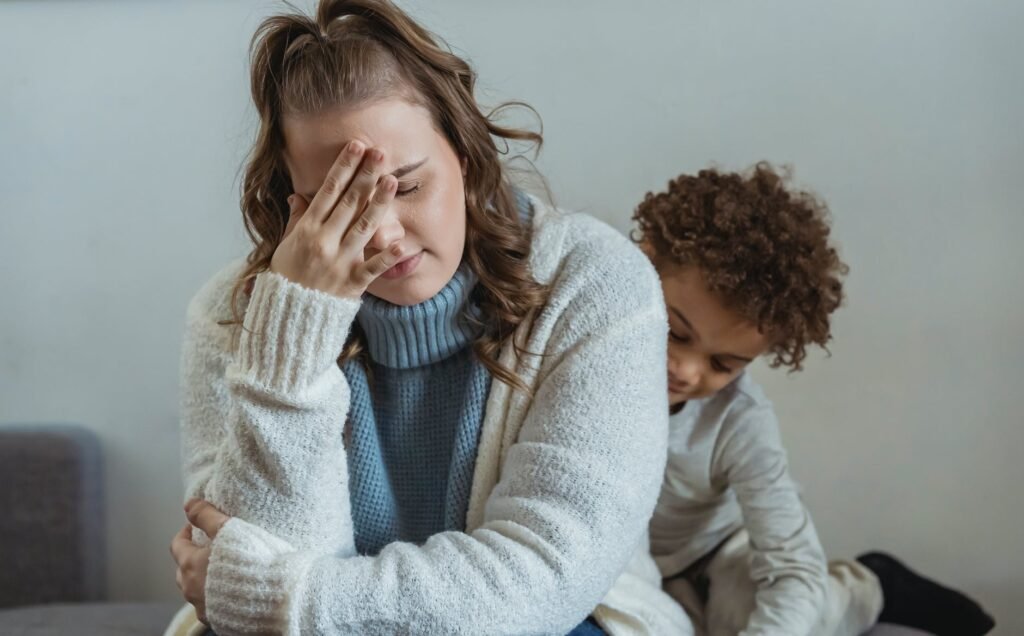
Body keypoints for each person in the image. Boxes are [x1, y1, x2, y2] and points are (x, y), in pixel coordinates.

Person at [165, 1, 690, 634]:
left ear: (464, 155)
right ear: (297, 203)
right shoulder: (233, 314)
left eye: (407, 187)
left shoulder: (595, 284)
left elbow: (539, 580)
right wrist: (296, 330)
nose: (383, 236)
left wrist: (289, 600)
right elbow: (249, 572)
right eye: (340, 203)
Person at [634, 163, 996, 636]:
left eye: (723, 364)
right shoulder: (583, 356)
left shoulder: (739, 421)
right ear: (641, 262)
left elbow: (792, 566)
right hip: (635, 567)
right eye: (676, 332)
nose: (686, 369)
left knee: (782, 615)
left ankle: (870, 584)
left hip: (718, 551)